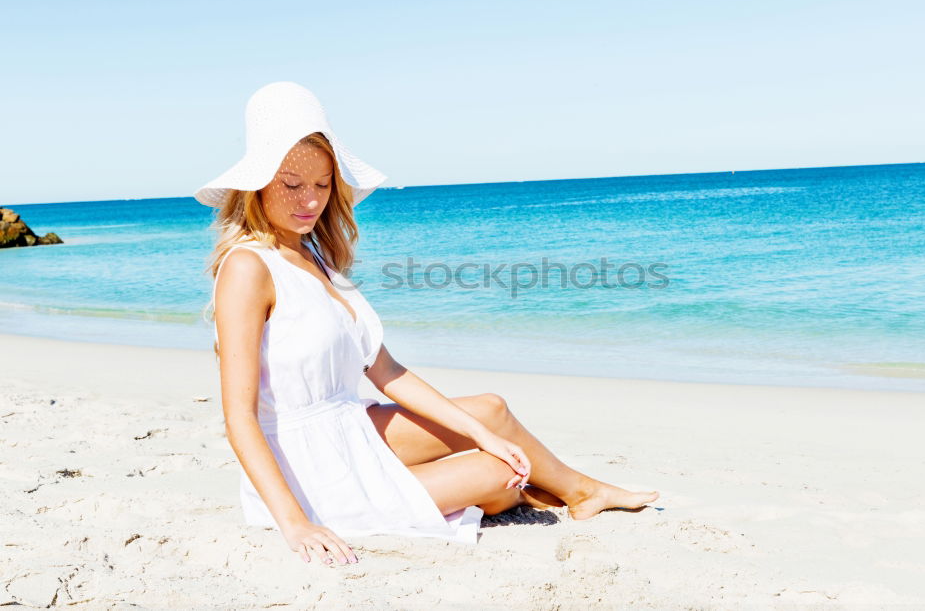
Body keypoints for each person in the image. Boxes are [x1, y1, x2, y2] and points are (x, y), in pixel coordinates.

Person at [195, 82, 660, 568]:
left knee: (492, 411)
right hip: (306, 468)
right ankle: (526, 492)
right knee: (497, 471)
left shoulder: (311, 253)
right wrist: (295, 522)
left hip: (348, 424)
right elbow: (239, 417)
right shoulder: (248, 268)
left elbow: (386, 370)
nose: (310, 200)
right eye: (292, 184)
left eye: (323, 184)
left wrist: (482, 430)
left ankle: (583, 492)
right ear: (257, 185)